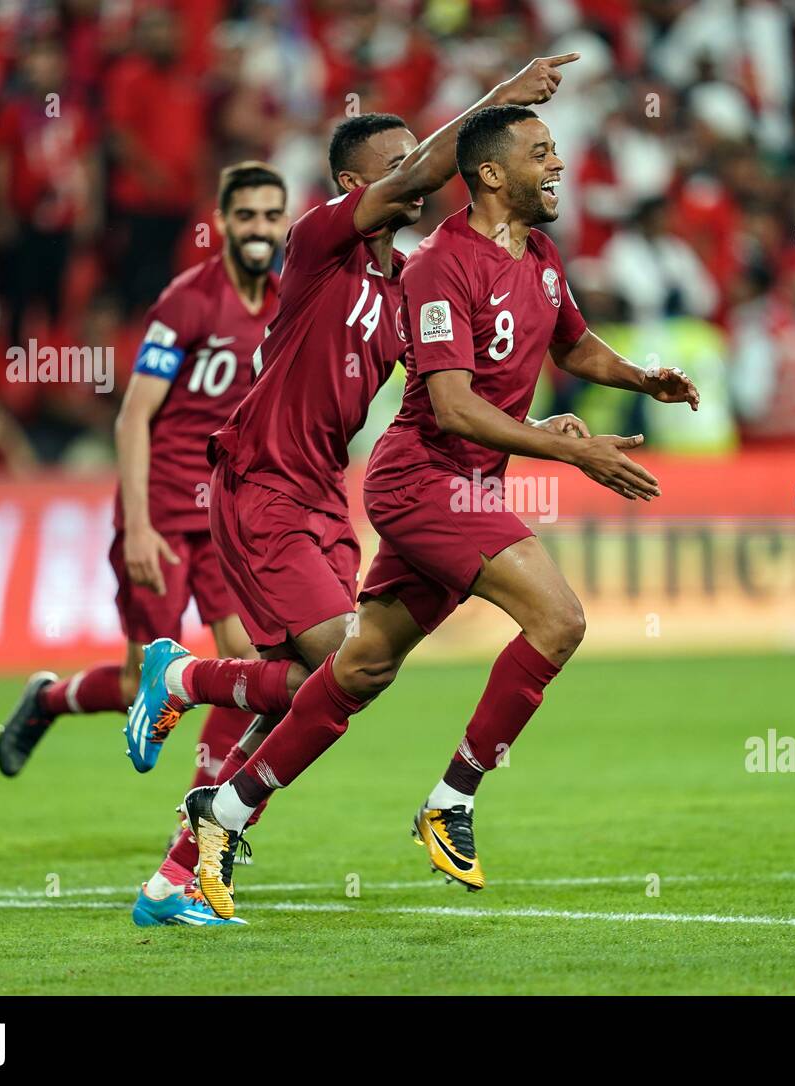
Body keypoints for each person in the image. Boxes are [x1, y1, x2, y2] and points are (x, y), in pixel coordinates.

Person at [179, 105, 699, 919]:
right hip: (424, 480)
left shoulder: (542, 256)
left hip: (465, 484)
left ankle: (227, 808)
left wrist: (641, 378)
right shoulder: (438, 267)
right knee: (558, 620)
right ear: (491, 173)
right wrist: (569, 449)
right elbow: (452, 408)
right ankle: (452, 799)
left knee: (357, 670)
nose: (558, 165)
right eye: (541, 152)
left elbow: (573, 344)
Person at [122, 58, 581, 926]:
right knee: (337, 666)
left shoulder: (409, 281)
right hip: (260, 484)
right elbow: (424, 173)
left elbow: (451, 391)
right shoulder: (318, 242)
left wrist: (543, 432)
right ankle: (179, 676)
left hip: (327, 495)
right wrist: (502, 98)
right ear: (352, 183)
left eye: (421, 156)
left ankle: (174, 874)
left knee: (344, 679)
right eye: (400, 162)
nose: (417, 173)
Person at [0, 162, 287, 927]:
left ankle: (198, 833)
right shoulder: (187, 302)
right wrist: (139, 524)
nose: (260, 229)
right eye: (247, 216)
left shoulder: (284, 305)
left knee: (246, 671)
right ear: (222, 223)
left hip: (224, 517)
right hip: (157, 513)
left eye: (271, 216)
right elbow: (133, 417)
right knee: (143, 684)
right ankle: (50, 699)